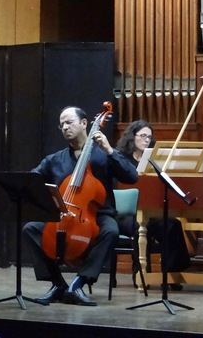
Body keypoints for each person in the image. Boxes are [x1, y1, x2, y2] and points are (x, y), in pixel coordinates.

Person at [22, 106, 138, 306]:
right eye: (62, 124)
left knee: (111, 230)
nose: (65, 127)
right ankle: (58, 284)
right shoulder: (54, 159)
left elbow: (131, 176)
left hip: (99, 214)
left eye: (69, 122)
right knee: (31, 228)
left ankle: (79, 282)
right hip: (63, 216)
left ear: (84, 123)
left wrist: (110, 150)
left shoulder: (103, 155)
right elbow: (31, 179)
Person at [116, 120, 190, 278]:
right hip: (125, 213)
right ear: (132, 137)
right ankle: (141, 274)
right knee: (140, 227)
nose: (146, 140)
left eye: (149, 137)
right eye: (142, 136)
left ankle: (172, 273)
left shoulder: (153, 161)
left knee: (173, 225)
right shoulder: (121, 159)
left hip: (147, 210)